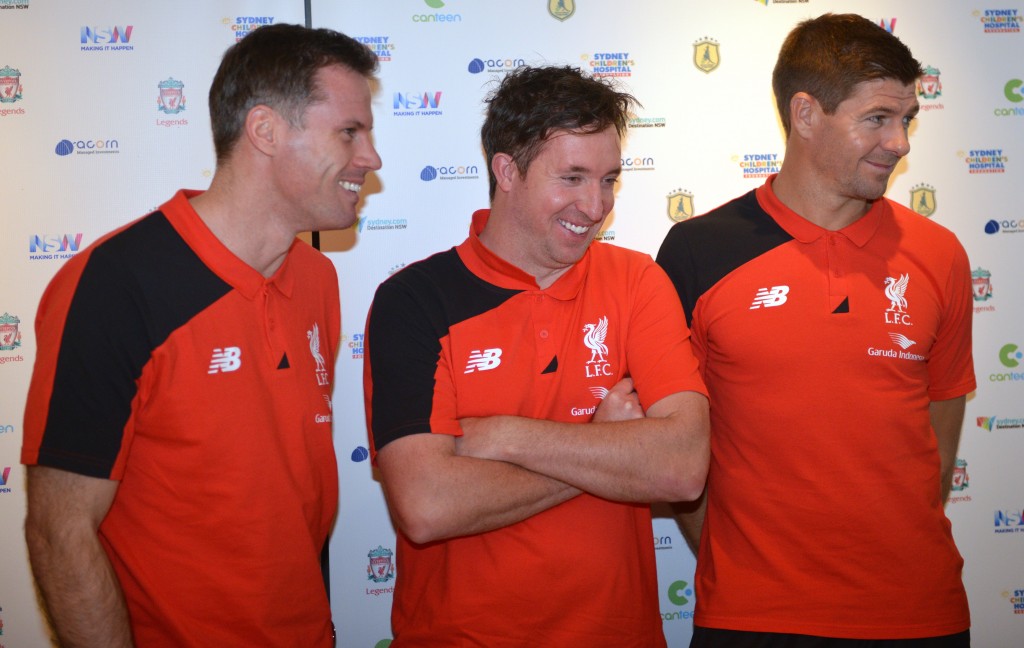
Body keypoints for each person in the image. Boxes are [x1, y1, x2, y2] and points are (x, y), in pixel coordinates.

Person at [22, 23, 381, 647]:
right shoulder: (115, 284)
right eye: (350, 132)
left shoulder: (318, 278)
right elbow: (61, 531)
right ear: (265, 130)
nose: (371, 157)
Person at [363, 65, 710, 647]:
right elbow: (428, 505)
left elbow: (681, 467)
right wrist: (604, 446)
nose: (595, 205)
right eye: (572, 178)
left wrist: (506, 436)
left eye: (609, 180)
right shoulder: (414, 300)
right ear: (506, 171)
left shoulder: (637, 281)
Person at [656, 13, 973, 647]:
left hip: (920, 615)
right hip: (752, 619)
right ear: (805, 114)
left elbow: (938, 445)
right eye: (877, 118)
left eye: (907, 119)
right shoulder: (698, 252)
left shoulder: (940, 255)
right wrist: (741, 563)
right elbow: (673, 449)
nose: (900, 142)